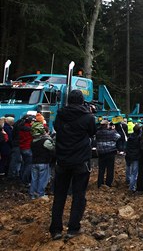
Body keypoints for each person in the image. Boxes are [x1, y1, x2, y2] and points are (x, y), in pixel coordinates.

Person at [49, 89, 96, 240]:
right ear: (82, 100)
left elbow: (56, 128)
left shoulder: (60, 115)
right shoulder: (87, 117)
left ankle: (56, 229)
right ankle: (73, 228)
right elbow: (92, 132)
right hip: (80, 161)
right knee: (78, 195)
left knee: (59, 196)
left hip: (62, 160)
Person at [29, 117, 55, 200]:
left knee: (34, 179)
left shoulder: (33, 141)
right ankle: (41, 194)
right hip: (43, 162)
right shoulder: (45, 141)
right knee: (43, 179)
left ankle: (32, 194)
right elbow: (52, 148)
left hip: (34, 162)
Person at [95, 119, 120, 188]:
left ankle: (100, 183)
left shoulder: (98, 133)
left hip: (101, 153)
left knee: (101, 169)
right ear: (107, 125)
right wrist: (113, 129)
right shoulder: (111, 132)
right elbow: (118, 137)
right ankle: (108, 183)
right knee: (110, 169)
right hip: (110, 152)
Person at [125, 124, 141, 192]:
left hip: (129, 155)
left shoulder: (130, 138)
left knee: (128, 169)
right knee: (134, 173)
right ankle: (132, 187)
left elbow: (127, 147)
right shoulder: (138, 139)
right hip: (136, 157)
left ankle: (128, 181)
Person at [19, 115, 34, 185]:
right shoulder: (30, 129)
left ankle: (21, 178)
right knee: (29, 165)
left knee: (24, 164)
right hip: (28, 148)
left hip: (22, 147)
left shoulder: (21, 127)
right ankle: (25, 181)